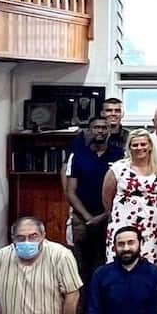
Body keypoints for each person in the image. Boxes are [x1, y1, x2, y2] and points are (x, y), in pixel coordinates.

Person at [65, 116, 122, 287]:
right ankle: (83, 309)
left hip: (110, 218)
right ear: (89, 131)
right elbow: (70, 191)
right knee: (81, 266)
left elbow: (121, 188)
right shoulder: (78, 155)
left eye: (104, 127)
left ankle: (103, 308)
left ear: (109, 131)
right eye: (96, 127)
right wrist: (88, 217)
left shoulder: (119, 155)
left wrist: (105, 215)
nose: (100, 131)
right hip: (82, 219)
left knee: (106, 263)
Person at [103, 129, 157, 265]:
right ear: (129, 147)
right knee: (120, 263)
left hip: (150, 227)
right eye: (135, 145)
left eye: (143, 144)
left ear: (150, 146)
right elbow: (106, 197)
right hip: (122, 223)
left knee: (148, 265)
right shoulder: (118, 168)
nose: (139, 148)